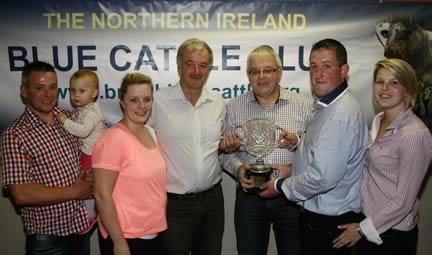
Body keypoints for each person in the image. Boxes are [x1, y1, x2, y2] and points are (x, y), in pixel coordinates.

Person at [260, 38, 368, 255]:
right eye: (313, 66)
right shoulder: (329, 104)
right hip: (323, 220)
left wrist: (281, 186)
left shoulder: (340, 114)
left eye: (327, 66)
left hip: (330, 226)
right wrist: (299, 144)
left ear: (344, 70)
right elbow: (327, 152)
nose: (318, 74)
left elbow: (323, 177)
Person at [219, 45, 314, 255]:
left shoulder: (304, 105)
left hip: (291, 194)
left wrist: (297, 141)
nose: (261, 77)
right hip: (250, 197)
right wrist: (238, 169)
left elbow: (316, 151)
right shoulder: (233, 108)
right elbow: (223, 154)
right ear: (248, 75)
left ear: (279, 73)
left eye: (268, 70)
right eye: (255, 71)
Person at [332, 58, 432, 255]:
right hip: (370, 226)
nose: (385, 88)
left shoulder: (414, 135)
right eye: (379, 81)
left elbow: (403, 202)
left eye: (394, 82)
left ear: (408, 89)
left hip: (392, 235)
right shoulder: (378, 121)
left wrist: (361, 230)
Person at [148, 38, 232, 255]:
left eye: (203, 65)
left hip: (213, 201)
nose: (196, 71)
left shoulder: (217, 102)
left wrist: (225, 146)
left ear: (209, 69)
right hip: (174, 205)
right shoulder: (158, 101)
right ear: (178, 66)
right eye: (190, 64)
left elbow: (215, 147)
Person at [1, 61, 94, 255]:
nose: (48, 94)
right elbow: (21, 194)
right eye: (39, 88)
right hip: (48, 241)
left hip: (83, 230)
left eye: (52, 87)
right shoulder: (15, 135)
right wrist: (75, 192)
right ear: (24, 91)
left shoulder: (69, 118)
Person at [92, 73, 167, 255]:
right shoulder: (113, 139)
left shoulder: (150, 132)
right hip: (126, 237)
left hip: (152, 232)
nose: (142, 106)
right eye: (134, 100)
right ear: (122, 102)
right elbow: (102, 195)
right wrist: (119, 242)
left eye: (147, 99)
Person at [57, 69, 106, 223]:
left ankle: (90, 215)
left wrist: (64, 120)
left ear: (94, 92)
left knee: (86, 184)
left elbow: (83, 131)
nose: (76, 95)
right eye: (72, 91)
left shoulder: (92, 111)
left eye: (82, 91)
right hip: (89, 152)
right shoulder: (83, 109)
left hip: (91, 154)